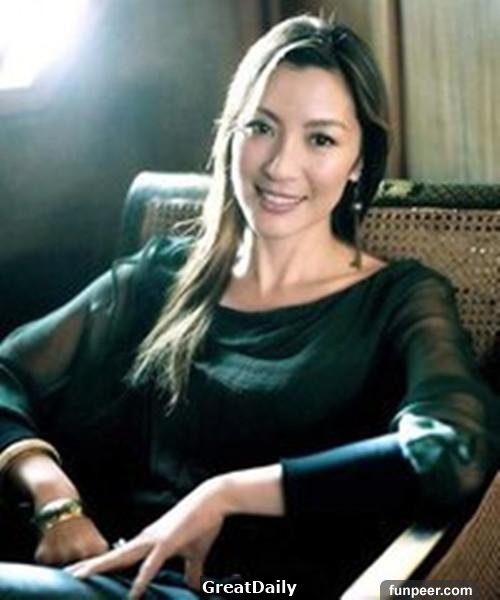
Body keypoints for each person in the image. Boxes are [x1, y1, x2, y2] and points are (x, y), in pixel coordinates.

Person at [0, 13, 498, 600]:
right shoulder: (164, 275)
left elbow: (453, 451)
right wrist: (54, 497)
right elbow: (8, 370)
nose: (280, 166)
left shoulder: (401, 298)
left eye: (321, 139)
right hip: (115, 574)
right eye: (261, 127)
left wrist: (228, 494)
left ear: (360, 161)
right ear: (231, 134)